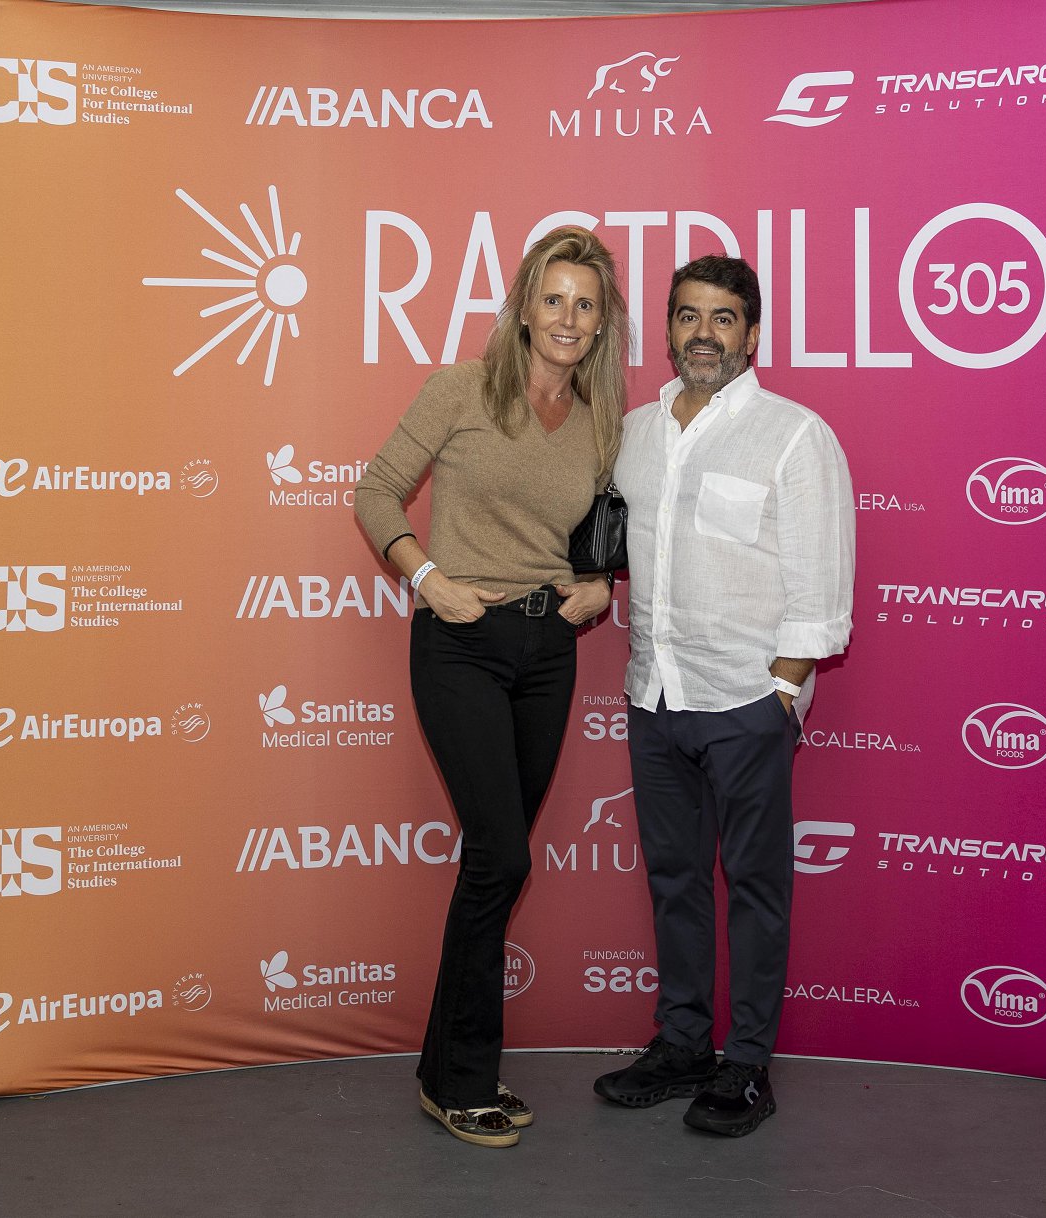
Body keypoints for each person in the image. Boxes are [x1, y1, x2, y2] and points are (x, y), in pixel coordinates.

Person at [355, 227, 628, 1148]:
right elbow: (376, 492)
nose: (567, 318)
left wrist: (599, 586)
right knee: (503, 858)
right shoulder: (460, 389)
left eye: (585, 304)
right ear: (522, 308)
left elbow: (595, 536)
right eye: (553, 299)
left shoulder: (600, 419)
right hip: (461, 644)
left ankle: (447, 1073)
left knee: (489, 860)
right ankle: (465, 1078)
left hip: (547, 651)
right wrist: (427, 577)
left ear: (602, 324)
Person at [594, 254, 855, 1137]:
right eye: (687, 315)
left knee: (753, 887)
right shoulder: (633, 432)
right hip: (655, 696)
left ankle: (745, 1063)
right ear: (667, 330)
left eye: (722, 318)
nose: (702, 333)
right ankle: (682, 1045)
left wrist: (783, 689)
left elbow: (821, 581)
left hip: (747, 700)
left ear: (752, 334)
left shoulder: (793, 435)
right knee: (674, 882)